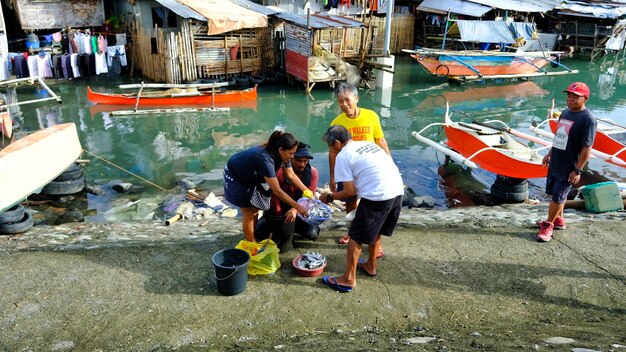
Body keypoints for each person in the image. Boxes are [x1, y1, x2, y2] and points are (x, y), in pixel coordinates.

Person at [319, 125, 404, 292]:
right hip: (397, 190)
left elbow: (350, 193)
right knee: (376, 229)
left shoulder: (343, 155)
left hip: (378, 195)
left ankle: (348, 279)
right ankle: (371, 265)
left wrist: (329, 197)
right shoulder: (367, 144)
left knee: (355, 236)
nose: (330, 149)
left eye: (330, 146)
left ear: (337, 143)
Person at [329, 82, 391, 258]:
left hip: (371, 170)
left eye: (347, 100)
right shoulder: (337, 123)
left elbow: (380, 141)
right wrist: (333, 177)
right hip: (349, 171)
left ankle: (375, 244)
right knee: (350, 200)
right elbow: (333, 151)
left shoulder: (371, 116)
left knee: (375, 206)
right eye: (340, 101)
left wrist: (390, 164)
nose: (344, 104)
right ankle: (352, 232)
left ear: (356, 98)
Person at [223, 131, 309, 243]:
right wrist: (298, 206)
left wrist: (306, 191)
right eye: (291, 153)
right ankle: (250, 244)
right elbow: (277, 191)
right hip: (235, 176)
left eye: (294, 153)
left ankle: (252, 236)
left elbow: (291, 174)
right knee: (248, 212)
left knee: (254, 209)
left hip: (250, 175)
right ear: (281, 150)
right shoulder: (265, 159)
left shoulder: (284, 156)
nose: (293, 156)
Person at [537, 82, 596, 242]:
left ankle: (548, 225)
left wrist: (577, 170)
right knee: (556, 195)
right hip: (556, 161)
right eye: (569, 95)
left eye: (575, 97)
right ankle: (559, 220)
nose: (570, 99)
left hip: (569, 167)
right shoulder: (565, 113)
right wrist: (549, 153)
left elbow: (586, 148)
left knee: (557, 197)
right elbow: (559, 137)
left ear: (585, 99)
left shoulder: (588, 120)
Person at [255, 142, 320, 251]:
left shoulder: (313, 173)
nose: (302, 164)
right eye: (298, 160)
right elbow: (275, 196)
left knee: (312, 233)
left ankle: (293, 228)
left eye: (305, 161)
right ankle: (282, 228)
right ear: (290, 159)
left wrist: (295, 210)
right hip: (278, 210)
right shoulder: (279, 172)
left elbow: (310, 197)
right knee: (259, 233)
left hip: (299, 210)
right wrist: (280, 220)